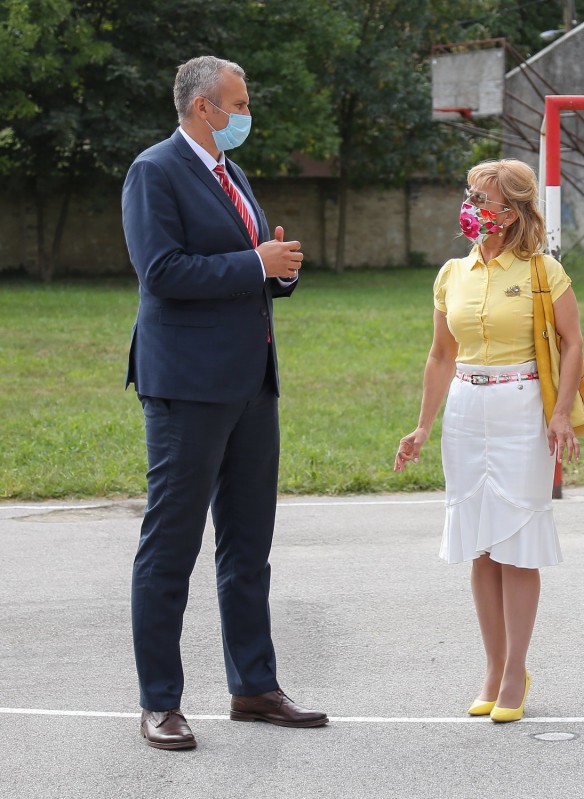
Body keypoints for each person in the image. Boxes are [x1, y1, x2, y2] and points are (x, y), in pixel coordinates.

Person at [122, 55, 326, 750]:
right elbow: (161, 271)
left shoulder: (231, 173)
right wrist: (253, 263)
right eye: (238, 104)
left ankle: (254, 687)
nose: (246, 114)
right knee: (171, 545)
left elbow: (247, 267)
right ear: (203, 107)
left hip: (251, 383)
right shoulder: (154, 170)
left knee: (248, 544)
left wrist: (277, 268)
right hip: (187, 386)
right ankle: (160, 701)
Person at [394, 159, 583, 723]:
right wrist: (422, 426)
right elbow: (440, 355)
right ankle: (495, 667)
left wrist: (560, 414)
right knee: (480, 543)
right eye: (470, 194)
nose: (471, 206)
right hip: (465, 410)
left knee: (516, 543)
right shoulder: (453, 273)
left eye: (483, 198)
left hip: (522, 410)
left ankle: (516, 671)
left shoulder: (544, 270)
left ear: (513, 211)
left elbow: (572, 343)